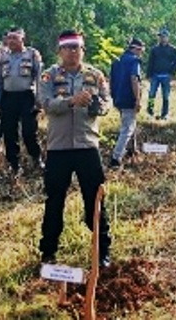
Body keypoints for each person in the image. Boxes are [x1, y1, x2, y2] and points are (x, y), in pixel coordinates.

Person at [39, 30, 112, 267]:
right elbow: (46, 103)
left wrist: (98, 106)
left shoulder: (95, 75)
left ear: (83, 50)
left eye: (77, 47)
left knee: (95, 199)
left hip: (87, 145)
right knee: (54, 200)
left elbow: (107, 102)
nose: (72, 52)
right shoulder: (49, 76)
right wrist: (71, 101)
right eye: (67, 48)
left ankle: (102, 252)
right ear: (60, 51)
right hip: (59, 147)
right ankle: (48, 252)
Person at [0, 27, 44, 176]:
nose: (11, 41)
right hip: (8, 98)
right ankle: (14, 164)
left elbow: (39, 77)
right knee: (9, 132)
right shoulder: (3, 57)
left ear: (22, 39)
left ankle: (36, 158)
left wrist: (40, 99)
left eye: (15, 38)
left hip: (27, 97)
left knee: (29, 131)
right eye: (9, 38)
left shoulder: (32, 54)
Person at [109, 38, 145, 168]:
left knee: (130, 124)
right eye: (141, 50)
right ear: (136, 49)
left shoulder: (117, 61)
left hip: (118, 98)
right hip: (128, 98)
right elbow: (134, 79)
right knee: (127, 128)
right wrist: (137, 99)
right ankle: (116, 158)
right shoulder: (134, 61)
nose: (142, 53)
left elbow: (111, 81)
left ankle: (131, 150)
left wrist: (113, 97)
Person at [146, 28, 176, 120]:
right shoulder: (154, 49)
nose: (162, 38)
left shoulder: (173, 49)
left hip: (166, 75)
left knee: (166, 96)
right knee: (151, 95)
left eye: (164, 37)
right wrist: (148, 75)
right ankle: (150, 111)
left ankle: (164, 114)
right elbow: (150, 62)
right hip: (155, 75)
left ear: (168, 38)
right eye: (160, 37)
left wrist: (172, 74)